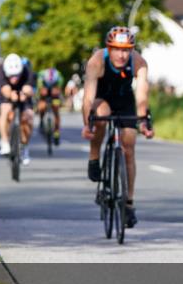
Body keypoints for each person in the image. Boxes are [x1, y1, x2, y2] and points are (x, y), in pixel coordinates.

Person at [81, 26, 154, 229]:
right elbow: (88, 98)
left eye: (126, 50)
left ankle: (128, 203)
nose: (121, 55)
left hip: (124, 100)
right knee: (101, 117)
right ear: (109, 48)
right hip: (101, 99)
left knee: (129, 146)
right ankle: (94, 156)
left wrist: (143, 121)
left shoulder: (139, 62)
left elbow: (142, 95)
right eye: (117, 49)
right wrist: (87, 125)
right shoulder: (96, 61)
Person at [0, 53, 34, 166]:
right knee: (5, 110)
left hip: (23, 94)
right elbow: (5, 89)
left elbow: (29, 89)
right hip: (8, 94)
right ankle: (4, 141)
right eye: (11, 76)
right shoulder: (2, 71)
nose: (14, 78)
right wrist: (10, 95)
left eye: (17, 76)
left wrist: (25, 94)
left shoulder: (27, 71)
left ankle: (25, 147)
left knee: (29, 116)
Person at [36, 67, 64, 145]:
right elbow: (40, 90)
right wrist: (42, 91)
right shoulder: (41, 76)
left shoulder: (59, 77)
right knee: (41, 106)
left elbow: (59, 90)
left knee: (56, 110)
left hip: (54, 95)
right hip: (44, 95)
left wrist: (56, 92)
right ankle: (41, 121)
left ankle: (56, 133)